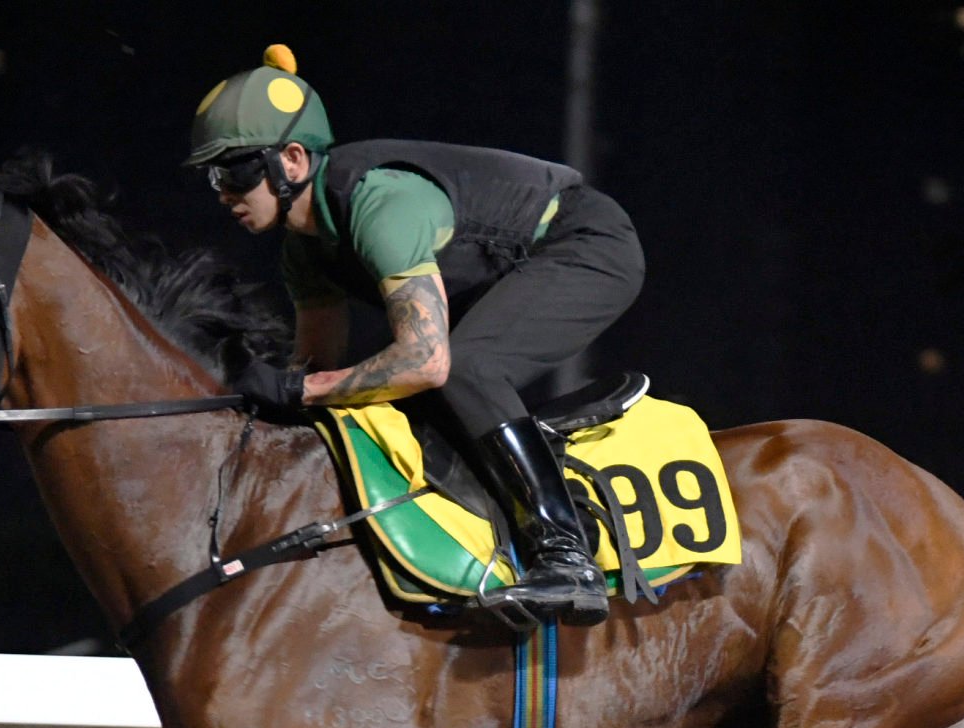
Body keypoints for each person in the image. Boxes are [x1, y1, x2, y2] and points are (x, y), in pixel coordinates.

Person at [186, 45, 645, 626]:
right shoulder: (304, 252)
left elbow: (424, 361)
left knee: (468, 369)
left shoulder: (381, 205)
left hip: (587, 244)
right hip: (513, 268)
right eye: (212, 175)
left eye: (235, 170)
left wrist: (301, 389)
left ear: (293, 160)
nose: (223, 191)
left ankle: (568, 556)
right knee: (406, 404)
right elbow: (314, 370)